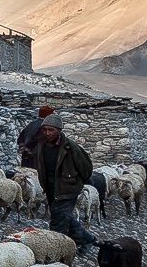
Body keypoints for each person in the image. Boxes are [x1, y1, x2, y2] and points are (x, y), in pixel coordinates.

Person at [33, 113, 97, 249]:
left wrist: (73, 181)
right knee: (64, 217)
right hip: (51, 188)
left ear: (59, 130)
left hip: (67, 189)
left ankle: (56, 249)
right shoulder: (41, 145)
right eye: (45, 130)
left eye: (51, 130)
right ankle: (86, 239)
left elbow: (86, 168)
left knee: (58, 221)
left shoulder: (70, 147)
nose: (47, 133)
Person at [16, 105, 55, 169]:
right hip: (35, 159)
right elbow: (38, 142)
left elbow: (20, 139)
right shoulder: (44, 127)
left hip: (27, 158)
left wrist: (24, 149)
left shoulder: (31, 124)